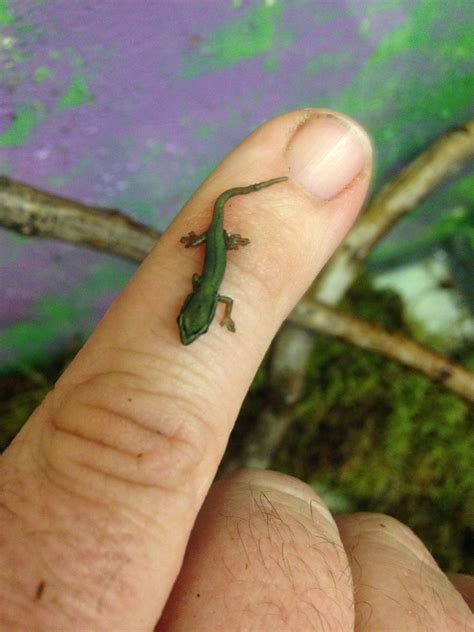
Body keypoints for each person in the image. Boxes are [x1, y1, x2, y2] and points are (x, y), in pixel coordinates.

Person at [0, 109, 472, 631]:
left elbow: (215, 292)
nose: (188, 329)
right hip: (214, 250)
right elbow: (211, 294)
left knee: (220, 233)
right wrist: (216, 303)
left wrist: (221, 302)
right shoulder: (201, 297)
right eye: (191, 326)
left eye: (192, 327)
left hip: (217, 249)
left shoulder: (203, 296)